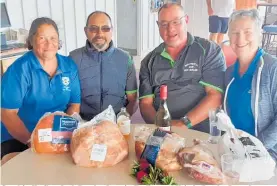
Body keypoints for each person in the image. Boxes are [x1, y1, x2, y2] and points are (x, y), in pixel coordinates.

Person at [1, 17, 81, 164]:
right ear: (31, 40)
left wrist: (64, 136)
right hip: (19, 137)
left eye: (53, 38)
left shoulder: (69, 66)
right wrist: (33, 141)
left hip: (55, 136)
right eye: (42, 38)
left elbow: (74, 104)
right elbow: (7, 114)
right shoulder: (19, 70)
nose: (49, 44)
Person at [139, 3, 226, 133]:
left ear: (186, 20)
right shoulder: (148, 61)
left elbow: (215, 97)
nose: (170, 29)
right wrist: (163, 127)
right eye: (164, 24)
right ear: (158, 26)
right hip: (162, 130)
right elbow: (146, 104)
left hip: (201, 131)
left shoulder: (208, 50)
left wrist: (183, 123)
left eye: (176, 22)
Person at [224, 9, 277, 161]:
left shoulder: (272, 68)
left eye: (247, 32)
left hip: (267, 154)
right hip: (234, 150)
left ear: (259, 35)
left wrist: (254, 149)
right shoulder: (228, 73)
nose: (240, 39)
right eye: (235, 33)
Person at [69, 11, 138, 121]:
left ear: (112, 31)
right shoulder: (73, 58)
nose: (99, 34)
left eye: (105, 28)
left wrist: (122, 120)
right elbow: (69, 100)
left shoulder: (125, 59)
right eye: (93, 29)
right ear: (85, 31)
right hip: (83, 124)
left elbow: (133, 99)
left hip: (115, 124)